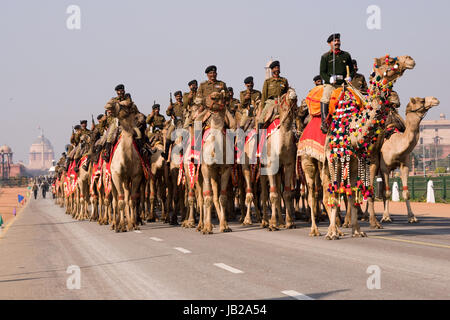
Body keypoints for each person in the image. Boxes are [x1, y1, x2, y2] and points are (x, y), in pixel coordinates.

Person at [319, 33, 355, 133]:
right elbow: (322, 72)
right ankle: (324, 122)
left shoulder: (346, 55)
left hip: (343, 84)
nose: (337, 43)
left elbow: (352, 70)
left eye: (338, 41)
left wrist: (350, 76)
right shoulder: (325, 57)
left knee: (354, 99)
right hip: (331, 84)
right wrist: (328, 79)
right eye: (334, 41)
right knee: (325, 98)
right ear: (329, 43)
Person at [258, 60, 289, 127]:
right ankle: (260, 137)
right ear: (272, 70)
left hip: (281, 103)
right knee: (261, 120)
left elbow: (287, 93)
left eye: (278, 67)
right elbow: (264, 96)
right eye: (275, 68)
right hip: (270, 102)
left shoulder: (284, 80)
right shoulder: (268, 81)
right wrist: (263, 108)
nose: (277, 69)